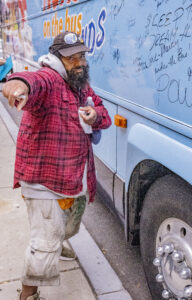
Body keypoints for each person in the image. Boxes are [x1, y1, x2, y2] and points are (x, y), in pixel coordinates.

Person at [2, 31, 111, 300]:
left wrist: (96, 115)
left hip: (75, 178)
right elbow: (31, 82)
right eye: (72, 58)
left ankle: (59, 241)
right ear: (57, 58)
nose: (80, 62)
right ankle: (28, 294)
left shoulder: (82, 86)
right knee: (45, 245)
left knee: (70, 228)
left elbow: (105, 115)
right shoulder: (49, 79)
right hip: (44, 181)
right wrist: (17, 84)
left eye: (82, 56)